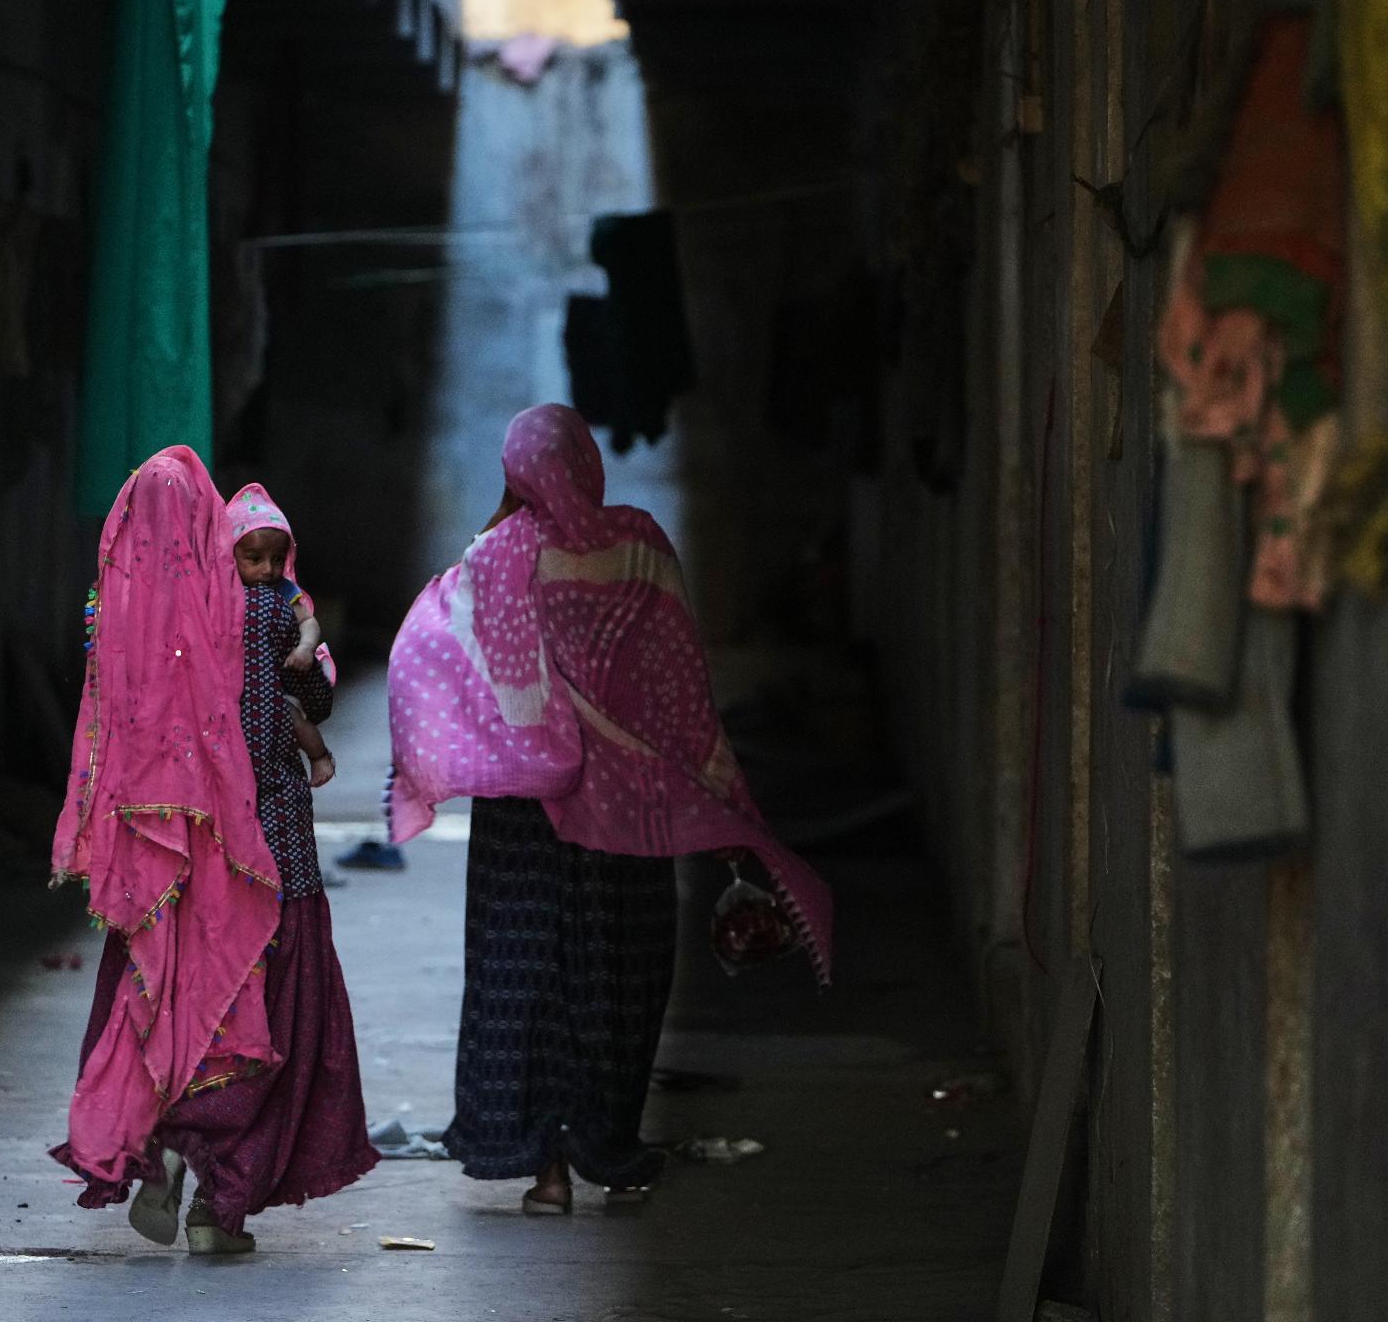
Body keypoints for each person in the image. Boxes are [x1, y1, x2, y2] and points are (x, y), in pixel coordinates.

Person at [386, 404, 835, 1213]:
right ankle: (606, 1144)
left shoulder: (490, 557)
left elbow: (427, 655)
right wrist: (718, 801)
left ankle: (545, 1169)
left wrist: (455, 755)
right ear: (589, 464)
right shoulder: (639, 549)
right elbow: (681, 691)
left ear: (514, 472)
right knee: (615, 974)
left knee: (523, 973)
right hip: (626, 812)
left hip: (524, 810)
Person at [49, 448, 375, 1255]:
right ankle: (218, 1203)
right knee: (259, 1013)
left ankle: (160, 1147)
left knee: (164, 1007)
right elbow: (315, 700)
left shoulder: (112, 618)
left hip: (161, 870)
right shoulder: (257, 613)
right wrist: (308, 645)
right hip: (265, 854)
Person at [228, 483, 336, 789]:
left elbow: (309, 621)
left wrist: (304, 648)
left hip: (273, 690)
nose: (267, 569)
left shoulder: (284, 590)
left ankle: (320, 758)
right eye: (255, 558)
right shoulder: (221, 593)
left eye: (277, 559)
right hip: (234, 693)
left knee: (293, 719)